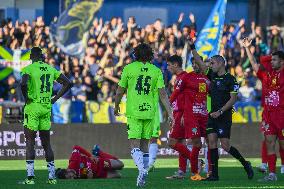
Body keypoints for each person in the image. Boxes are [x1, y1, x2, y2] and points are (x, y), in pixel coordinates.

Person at [189, 39, 254, 181]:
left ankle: (245, 163)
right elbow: (199, 62)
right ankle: (214, 175)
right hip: (212, 116)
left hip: (224, 115)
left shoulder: (231, 80)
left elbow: (233, 99)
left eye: (212, 63)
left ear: (221, 63)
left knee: (225, 145)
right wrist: (192, 46)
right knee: (211, 142)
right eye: (210, 63)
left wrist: (220, 111)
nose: (210, 65)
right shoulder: (211, 76)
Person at [114, 43, 173, 187]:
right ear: (150, 55)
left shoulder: (129, 68)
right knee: (144, 144)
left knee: (134, 143)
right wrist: (170, 113)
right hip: (149, 111)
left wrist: (116, 106)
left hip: (134, 111)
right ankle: (144, 173)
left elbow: (120, 91)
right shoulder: (156, 71)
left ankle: (141, 169)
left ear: (135, 55)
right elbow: (163, 94)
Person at [20, 47, 72, 184]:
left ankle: (30, 178)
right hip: (46, 107)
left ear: (31, 56)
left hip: (33, 107)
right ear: (42, 56)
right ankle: (52, 177)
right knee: (47, 144)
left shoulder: (29, 69)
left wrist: (26, 98)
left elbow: (23, 84)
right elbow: (68, 83)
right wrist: (54, 98)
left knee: (30, 143)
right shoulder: (50, 69)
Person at [243, 38, 284, 181]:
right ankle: (272, 174)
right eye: (271, 60)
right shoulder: (267, 75)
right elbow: (255, 64)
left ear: (282, 62)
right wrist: (248, 48)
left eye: (274, 60)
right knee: (269, 142)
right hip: (268, 114)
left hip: (282, 115)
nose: (270, 62)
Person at [166, 55, 210, 181]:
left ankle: (195, 162)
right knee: (180, 142)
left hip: (184, 114)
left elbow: (177, 97)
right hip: (180, 113)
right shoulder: (184, 77)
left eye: (169, 65)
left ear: (175, 64)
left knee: (173, 142)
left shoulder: (187, 77)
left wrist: (180, 113)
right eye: (193, 63)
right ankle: (182, 170)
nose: (168, 68)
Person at [56, 145, 124, 179]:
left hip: (100, 163)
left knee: (121, 165)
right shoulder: (75, 177)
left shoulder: (73, 161)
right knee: (119, 175)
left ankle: (98, 152)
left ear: (67, 170)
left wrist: (90, 156)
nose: (73, 178)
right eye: (70, 178)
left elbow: (76, 147)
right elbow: (85, 172)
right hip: (99, 174)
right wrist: (89, 177)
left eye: (70, 177)